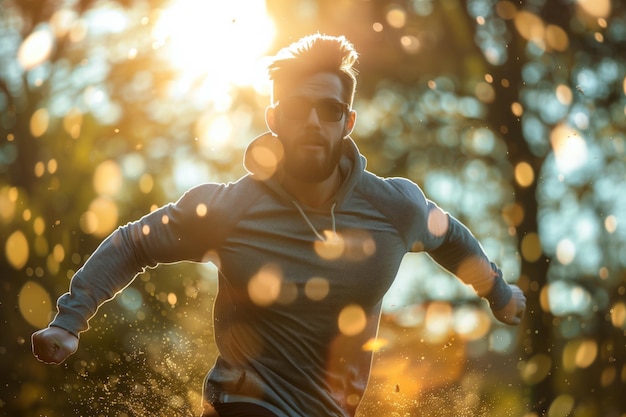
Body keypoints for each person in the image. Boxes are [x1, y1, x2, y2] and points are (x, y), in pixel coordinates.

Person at [32, 33, 526, 417]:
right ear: (274, 118)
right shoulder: (230, 209)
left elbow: (451, 240)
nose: (313, 121)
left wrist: (498, 293)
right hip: (241, 404)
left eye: (328, 110)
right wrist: (70, 319)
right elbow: (132, 244)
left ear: (347, 122)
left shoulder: (395, 207)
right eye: (297, 107)